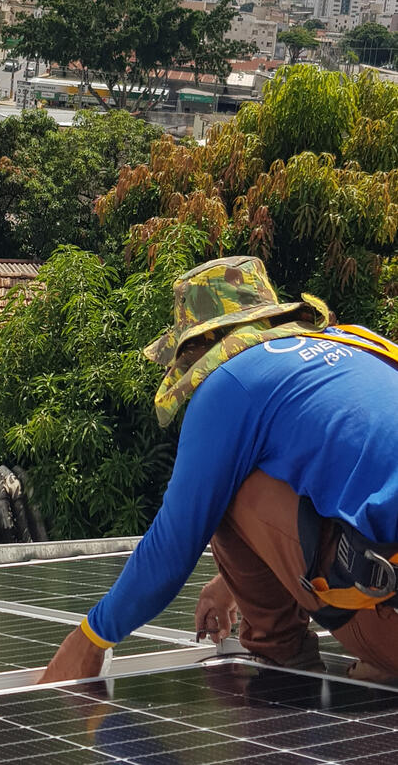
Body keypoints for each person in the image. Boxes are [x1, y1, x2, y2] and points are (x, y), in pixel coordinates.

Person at [40, 256, 398, 684]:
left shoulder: (230, 383)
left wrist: (91, 638)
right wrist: (230, 584)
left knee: (222, 484)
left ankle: (283, 659)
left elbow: (172, 547)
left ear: (200, 344)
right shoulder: (358, 346)